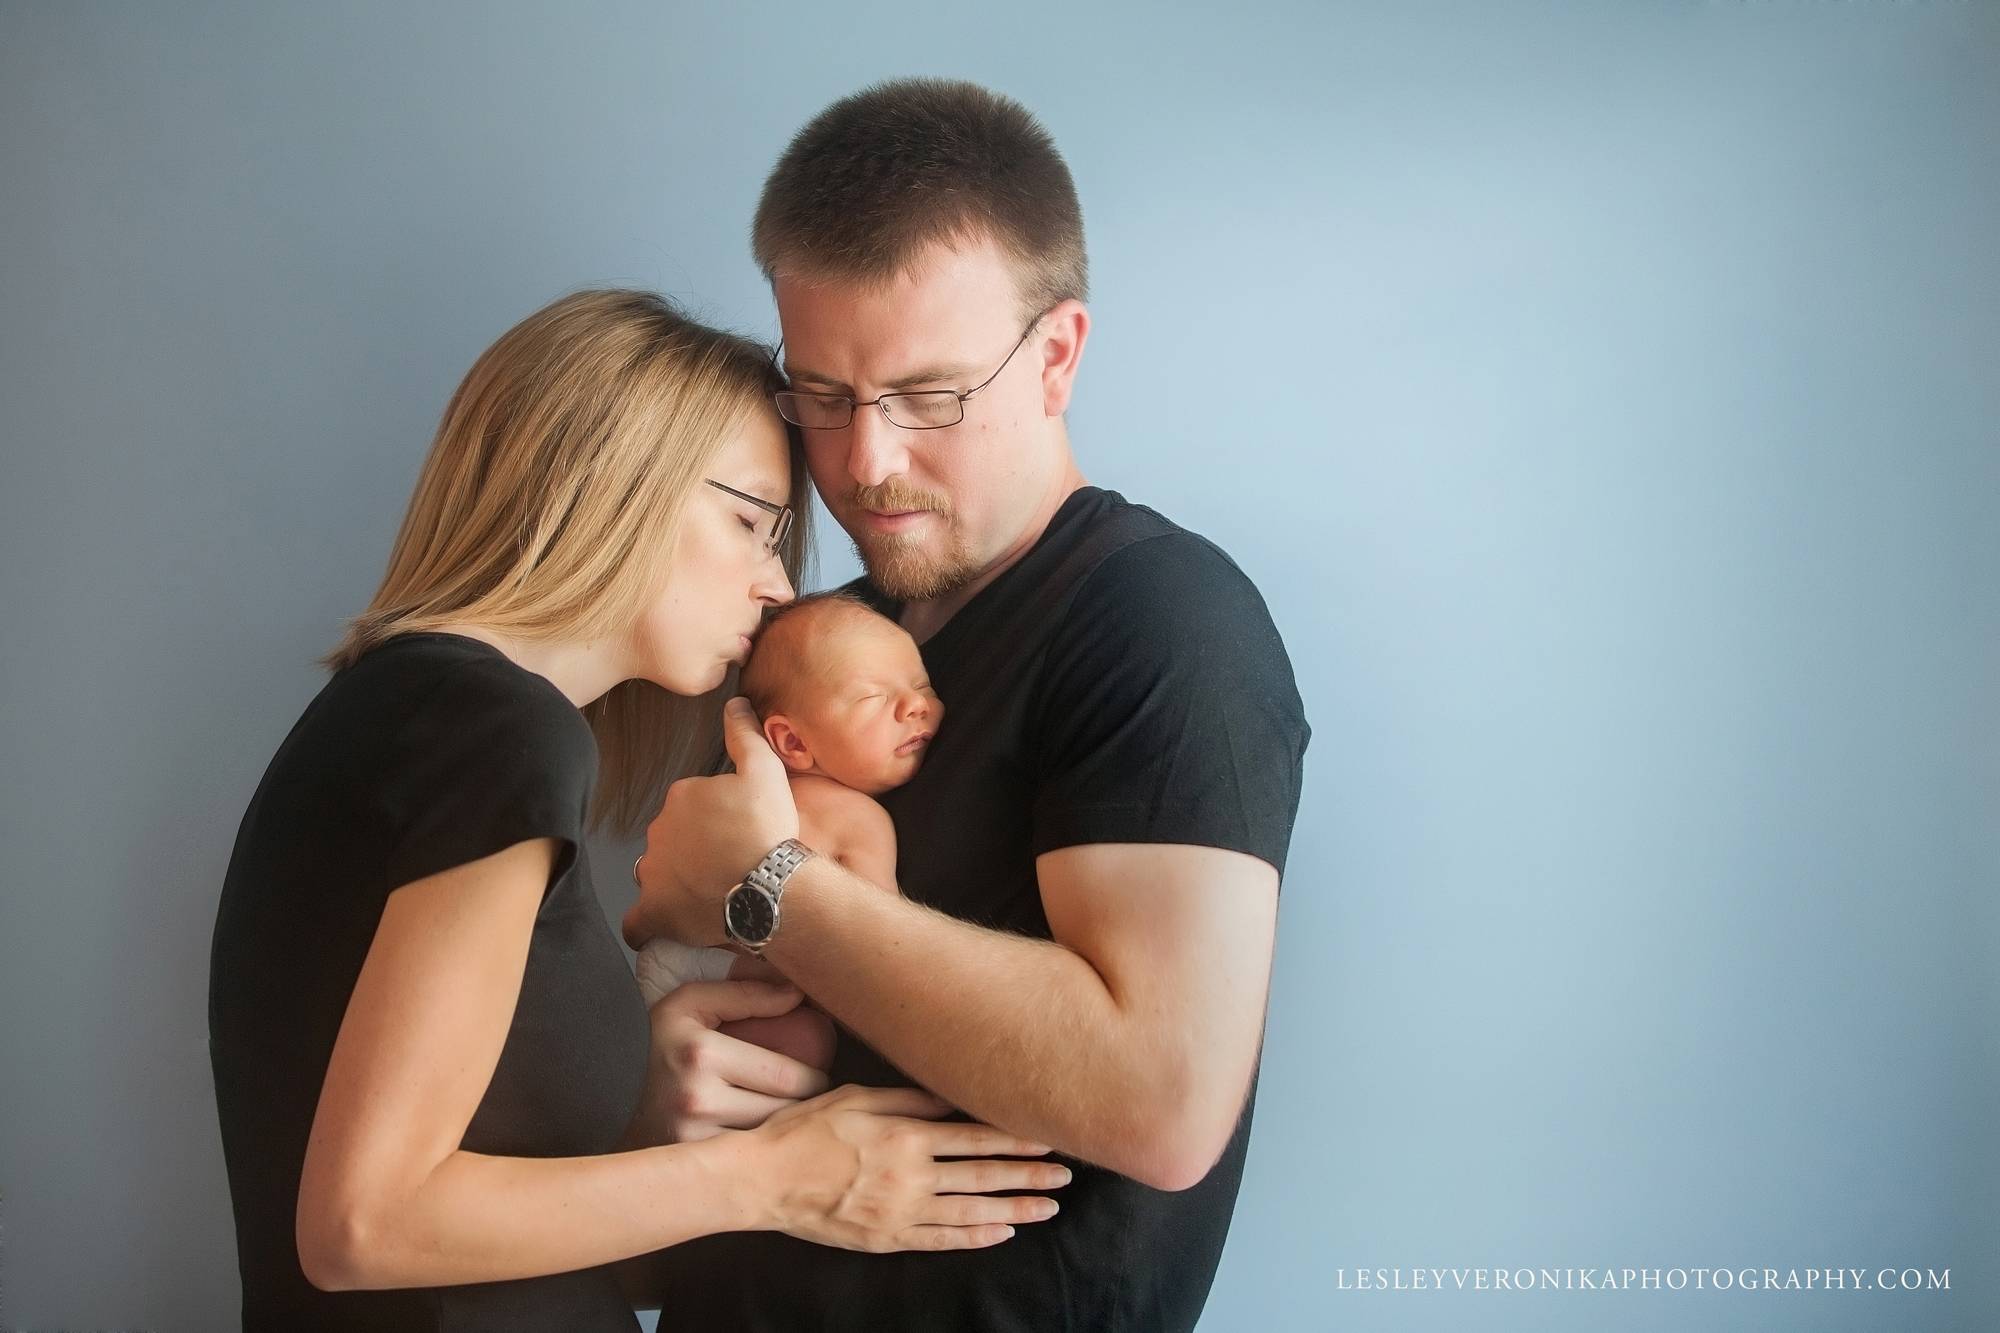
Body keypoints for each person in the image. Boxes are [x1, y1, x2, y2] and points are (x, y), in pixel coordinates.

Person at [206, 289, 1066, 1333]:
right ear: (611, 479)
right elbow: (361, 1227)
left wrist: (645, 1111)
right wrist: (776, 1177)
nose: (775, 590)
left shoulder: (419, 714)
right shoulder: (491, 728)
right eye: (752, 523)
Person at [625, 80, 1311, 1332]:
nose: (865, 460)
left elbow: (1159, 1101)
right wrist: (674, 1094)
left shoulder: (1161, 620)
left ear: (1055, 357)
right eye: (821, 395)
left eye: (928, 395)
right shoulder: (834, 642)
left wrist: (767, 886)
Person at [633, 590, 938, 1069]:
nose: (915, 706)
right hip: (723, 970)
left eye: (923, 686)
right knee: (810, 1040)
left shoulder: (740, 790)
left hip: (676, 958)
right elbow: (885, 952)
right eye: (875, 698)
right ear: (793, 741)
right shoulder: (860, 819)